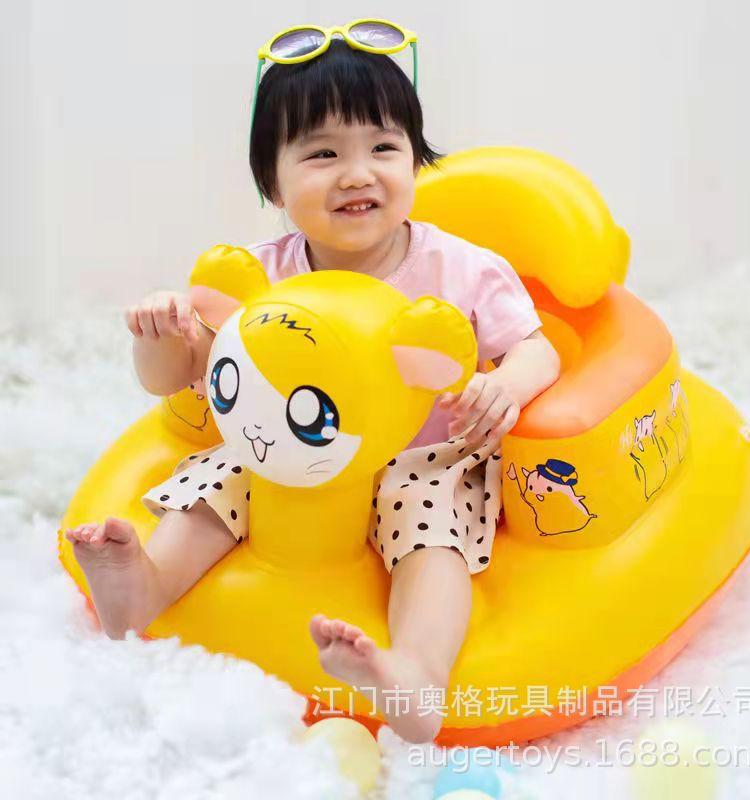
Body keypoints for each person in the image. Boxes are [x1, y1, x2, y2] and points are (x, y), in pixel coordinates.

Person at [64, 22, 561, 744]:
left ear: (416, 160)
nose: (357, 174)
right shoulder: (262, 274)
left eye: (383, 148)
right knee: (225, 474)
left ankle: (416, 674)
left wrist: (505, 386)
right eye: (323, 154)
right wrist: (158, 337)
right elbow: (173, 379)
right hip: (290, 452)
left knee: (432, 531)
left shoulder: (461, 269)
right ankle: (143, 585)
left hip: (420, 458)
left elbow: (539, 351)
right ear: (273, 181)